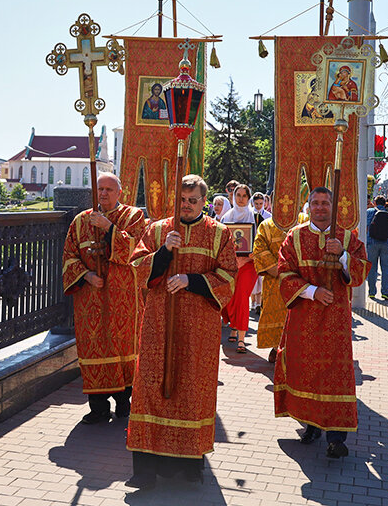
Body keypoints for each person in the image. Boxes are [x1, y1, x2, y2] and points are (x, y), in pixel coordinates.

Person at [126, 174, 237, 488]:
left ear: (204, 202)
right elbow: (136, 267)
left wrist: (193, 280)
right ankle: (144, 471)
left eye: (193, 201)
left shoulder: (219, 234)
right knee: (149, 388)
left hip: (198, 327)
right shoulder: (158, 229)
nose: (186, 206)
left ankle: (188, 467)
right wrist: (162, 253)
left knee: (191, 390)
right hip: (158, 323)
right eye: (182, 200)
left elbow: (229, 276)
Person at [274, 187, 369, 459]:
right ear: (309, 206)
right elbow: (284, 273)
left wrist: (343, 256)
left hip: (335, 319)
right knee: (306, 371)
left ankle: (336, 437)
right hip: (304, 316)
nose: (320, 208)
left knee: (335, 374)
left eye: (325, 203)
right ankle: (312, 426)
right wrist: (313, 291)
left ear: (333, 205)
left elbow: (362, 269)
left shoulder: (347, 237)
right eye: (315, 203)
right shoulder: (295, 236)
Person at [62, 172, 147, 424]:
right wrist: (86, 275)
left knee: (123, 348)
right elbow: (69, 255)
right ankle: (97, 408)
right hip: (91, 298)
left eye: (109, 189)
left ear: (120, 192)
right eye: (100, 189)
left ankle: (124, 404)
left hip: (123, 299)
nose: (104, 193)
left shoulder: (133, 216)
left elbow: (134, 250)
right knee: (94, 346)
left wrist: (108, 228)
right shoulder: (80, 221)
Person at [221, 184, 258, 353]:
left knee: (242, 297)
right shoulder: (226, 218)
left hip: (249, 266)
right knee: (231, 298)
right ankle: (234, 327)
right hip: (231, 265)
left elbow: (260, 242)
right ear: (233, 197)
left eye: (244, 195)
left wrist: (249, 256)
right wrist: (233, 259)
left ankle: (241, 338)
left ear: (248, 197)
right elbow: (221, 243)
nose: (241, 198)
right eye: (238, 195)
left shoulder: (256, 218)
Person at [251, 214, 286, 363]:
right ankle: (275, 347)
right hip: (274, 282)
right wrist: (278, 270)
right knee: (276, 314)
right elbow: (259, 250)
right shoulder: (266, 225)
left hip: (301, 281)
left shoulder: (305, 221)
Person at [366, 195, 388, 301]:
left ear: (375, 203)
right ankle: (385, 292)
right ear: (384, 204)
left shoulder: (369, 212)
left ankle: (371, 293)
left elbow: (363, 226)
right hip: (386, 244)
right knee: (385, 269)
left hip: (372, 243)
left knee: (372, 269)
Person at [249, 192, 273, 316]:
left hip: (264, 249)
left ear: (264, 203)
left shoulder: (269, 216)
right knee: (253, 278)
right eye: (256, 203)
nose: (258, 206)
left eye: (260, 203)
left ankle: (259, 302)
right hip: (252, 250)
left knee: (261, 277)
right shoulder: (249, 215)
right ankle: (253, 301)